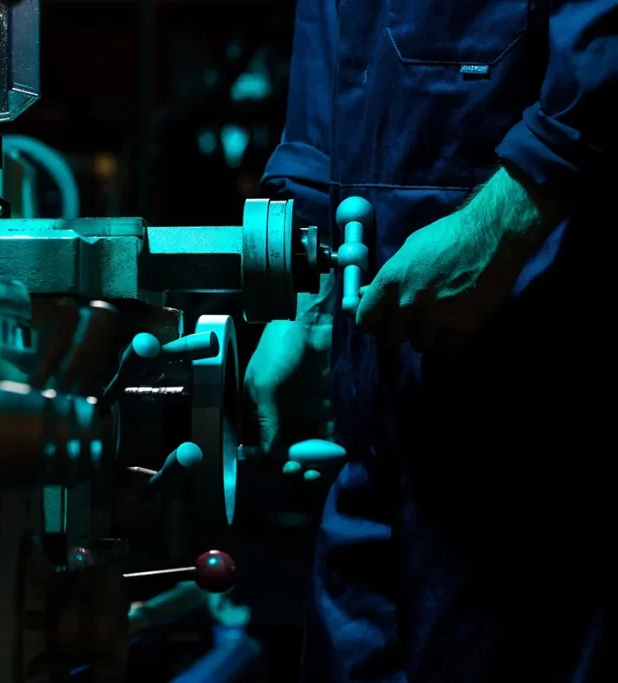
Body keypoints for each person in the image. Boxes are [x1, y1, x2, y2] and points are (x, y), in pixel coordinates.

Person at [245, 1, 615, 681]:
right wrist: (299, 292)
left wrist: (513, 213)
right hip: (372, 421)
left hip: (542, 411)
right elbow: (329, 69)